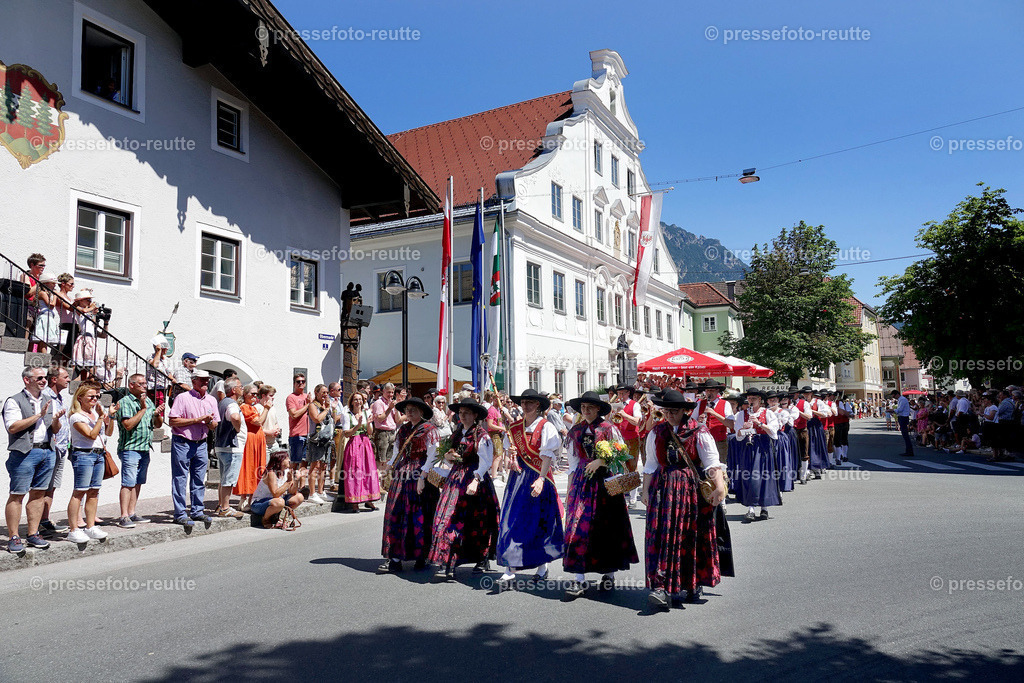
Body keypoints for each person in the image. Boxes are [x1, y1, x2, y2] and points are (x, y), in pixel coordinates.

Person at [641, 389, 727, 610]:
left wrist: (718, 487)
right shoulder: (656, 432)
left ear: (684, 411)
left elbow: (711, 463)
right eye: (666, 411)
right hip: (662, 489)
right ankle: (661, 587)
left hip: (689, 491)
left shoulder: (699, 432)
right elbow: (650, 464)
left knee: (689, 535)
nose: (669, 415)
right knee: (662, 536)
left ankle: (690, 583)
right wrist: (644, 491)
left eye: (674, 411)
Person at [562, 391, 638, 599]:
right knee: (578, 528)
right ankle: (579, 579)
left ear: (598, 409)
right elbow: (573, 462)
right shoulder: (575, 431)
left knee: (607, 528)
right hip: (583, 483)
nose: (586, 411)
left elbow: (622, 453)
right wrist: (570, 491)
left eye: (590, 407)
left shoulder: (609, 428)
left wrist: (601, 461)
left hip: (606, 484)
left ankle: (608, 573)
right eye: (583, 408)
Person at [495, 389, 565, 590]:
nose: (526, 406)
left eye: (530, 403)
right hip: (518, 480)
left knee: (538, 522)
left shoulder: (546, 427)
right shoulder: (514, 428)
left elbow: (547, 457)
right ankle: (510, 569)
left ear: (538, 406)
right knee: (512, 520)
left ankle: (541, 566)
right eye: (523, 402)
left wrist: (541, 479)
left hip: (537, 478)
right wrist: (511, 459)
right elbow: (512, 458)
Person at [428, 396, 500, 581]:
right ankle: (448, 562)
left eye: (467, 413)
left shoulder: (482, 436)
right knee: (448, 518)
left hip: (475, 480)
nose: (463, 416)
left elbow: (485, 462)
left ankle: (481, 558)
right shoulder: (457, 432)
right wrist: (448, 456)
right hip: (456, 479)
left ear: (475, 415)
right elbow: (446, 454)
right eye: (461, 412)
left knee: (479, 522)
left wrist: (476, 480)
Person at [379, 396, 439, 573]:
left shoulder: (429, 430)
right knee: (396, 513)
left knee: (420, 514)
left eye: (414, 409)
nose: (410, 412)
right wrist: (388, 468)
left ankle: (422, 556)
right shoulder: (403, 430)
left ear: (421, 412)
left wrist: (423, 475)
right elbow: (397, 451)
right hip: (402, 473)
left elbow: (432, 454)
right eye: (407, 409)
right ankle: (395, 557)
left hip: (420, 473)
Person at [4, 367, 59, 552]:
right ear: (27, 380)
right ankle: (13, 536)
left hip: (47, 451)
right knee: (17, 495)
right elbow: (12, 427)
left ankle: (33, 533)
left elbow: (54, 428)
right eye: (40, 378)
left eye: (46, 378)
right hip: (24, 453)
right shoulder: (14, 400)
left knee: (39, 494)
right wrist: (38, 416)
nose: (44, 381)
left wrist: (57, 420)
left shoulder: (48, 400)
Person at [713, 389, 780, 522]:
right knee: (750, 477)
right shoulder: (740, 414)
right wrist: (743, 428)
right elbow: (737, 436)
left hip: (763, 446)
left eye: (753, 398)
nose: (751, 401)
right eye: (749, 398)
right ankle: (751, 508)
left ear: (760, 400)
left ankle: (764, 508)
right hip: (748, 448)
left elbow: (774, 432)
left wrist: (759, 423)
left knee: (764, 476)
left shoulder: (768, 413)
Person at [66, 383, 116, 544]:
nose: (95, 399)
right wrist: (102, 417)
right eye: (91, 396)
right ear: (80, 398)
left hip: (99, 454)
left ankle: (90, 526)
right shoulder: (76, 416)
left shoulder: (95, 413)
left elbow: (108, 432)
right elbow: (91, 435)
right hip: (83, 455)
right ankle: (74, 529)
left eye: (97, 396)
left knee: (94, 491)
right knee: (79, 492)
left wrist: (110, 417)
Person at [168, 370, 219, 525]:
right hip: (183, 442)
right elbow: (173, 421)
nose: (206, 383)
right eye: (202, 380)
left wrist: (209, 422)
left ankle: (197, 511)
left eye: (207, 380)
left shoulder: (211, 400)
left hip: (201, 443)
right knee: (180, 478)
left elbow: (215, 424)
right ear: (194, 381)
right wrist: (197, 420)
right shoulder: (182, 398)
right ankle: (180, 513)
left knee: (198, 479)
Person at [115, 373, 162, 528]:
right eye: (141, 384)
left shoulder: (148, 400)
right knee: (128, 483)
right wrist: (143, 409)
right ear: (132, 385)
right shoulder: (125, 402)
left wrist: (157, 415)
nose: (144, 386)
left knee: (138, 482)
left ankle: (132, 513)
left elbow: (157, 425)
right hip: (130, 448)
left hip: (144, 447)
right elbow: (128, 425)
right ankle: (123, 516)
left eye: (145, 383)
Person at [340, 391, 380, 512]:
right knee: (354, 471)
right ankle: (355, 502)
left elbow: (370, 432)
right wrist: (357, 425)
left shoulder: (367, 412)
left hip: (365, 443)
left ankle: (369, 500)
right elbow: (346, 433)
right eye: (356, 399)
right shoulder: (347, 414)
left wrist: (368, 424)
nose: (358, 402)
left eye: (360, 399)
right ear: (351, 402)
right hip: (354, 443)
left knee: (368, 470)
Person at [214, 378, 247, 518]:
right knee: (229, 478)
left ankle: (221, 506)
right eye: (240, 386)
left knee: (223, 478)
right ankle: (225, 508)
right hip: (232, 447)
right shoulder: (232, 404)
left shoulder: (222, 403)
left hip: (221, 446)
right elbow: (234, 417)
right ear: (233, 390)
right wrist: (238, 428)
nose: (242, 389)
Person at [235, 384, 269, 513]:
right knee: (249, 468)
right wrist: (266, 408)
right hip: (251, 442)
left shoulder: (252, 407)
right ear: (245, 395)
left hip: (258, 441)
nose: (255, 397)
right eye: (252, 394)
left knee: (257, 469)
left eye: (256, 394)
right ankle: (244, 499)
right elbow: (258, 421)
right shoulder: (244, 407)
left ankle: (251, 499)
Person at [250, 452, 305, 529]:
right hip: (259, 503)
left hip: (277, 501)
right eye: (286, 458)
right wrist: (288, 482)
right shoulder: (271, 473)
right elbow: (275, 494)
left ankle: (282, 516)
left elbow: (293, 492)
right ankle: (265, 519)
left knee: (299, 497)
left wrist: (296, 479)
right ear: (280, 461)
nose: (289, 460)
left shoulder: (286, 472)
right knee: (279, 502)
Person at [610, 384, 643, 508]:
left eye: (623, 393)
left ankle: (633, 498)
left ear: (628, 393)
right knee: (616, 466)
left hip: (631, 439)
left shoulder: (635, 405)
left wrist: (624, 415)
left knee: (631, 466)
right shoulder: (616, 404)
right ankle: (620, 494)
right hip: (617, 439)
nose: (620, 396)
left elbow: (637, 421)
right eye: (618, 393)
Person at [306, 384, 335, 504]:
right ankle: (312, 493)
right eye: (323, 392)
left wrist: (331, 409)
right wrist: (327, 409)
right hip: (316, 440)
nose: (325, 395)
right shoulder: (313, 405)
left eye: (327, 392)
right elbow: (317, 419)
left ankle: (321, 491)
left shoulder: (326, 406)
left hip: (326, 440)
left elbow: (333, 420)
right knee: (315, 466)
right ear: (316, 393)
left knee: (324, 466)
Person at [696, 379, 732, 467]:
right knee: (703, 468)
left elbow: (731, 424)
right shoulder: (699, 403)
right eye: (707, 390)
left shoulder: (725, 404)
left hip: (719, 442)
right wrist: (697, 420)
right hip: (702, 443)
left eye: (711, 390)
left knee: (720, 468)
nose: (709, 393)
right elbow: (691, 423)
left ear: (717, 390)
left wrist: (714, 413)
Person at [30, 272, 61, 353]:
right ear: (46, 283)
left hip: (48, 317)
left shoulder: (47, 293)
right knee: (43, 339)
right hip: (44, 318)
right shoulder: (42, 293)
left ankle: (43, 355)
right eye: (53, 283)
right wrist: (55, 296)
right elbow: (51, 305)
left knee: (45, 339)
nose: (55, 285)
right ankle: (44, 356)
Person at [285, 373, 312, 469]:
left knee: (304, 464)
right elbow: (294, 414)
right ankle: (291, 483)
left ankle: (301, 484)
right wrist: (307, 405)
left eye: (303, 381)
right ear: (294, 384)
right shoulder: (291, 397)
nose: (301, 383)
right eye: (298, 381)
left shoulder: (307, 396)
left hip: (308, 434)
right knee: (294, 464)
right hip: (297, 435)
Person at [371, 382, 399, 470]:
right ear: (383, 391)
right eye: (388, 392)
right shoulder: (378, 403)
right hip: (382, 433)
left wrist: (396, 408)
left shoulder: (391, 402)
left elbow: (397, 420)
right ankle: (379, 481)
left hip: (392, 432)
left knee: (389, 459)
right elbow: (380, 419)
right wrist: (390, 408)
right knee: (381, 460)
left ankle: (385, 481)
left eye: (392, 392)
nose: (390, 395)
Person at [258, 385, 282, 454]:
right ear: (263, 396)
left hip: (274, 443)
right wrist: (269, 432)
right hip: (264, 444)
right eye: (271, 395)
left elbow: (275, 422)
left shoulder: (272, 408)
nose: (273, 398)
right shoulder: (257, 408)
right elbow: (257, 427)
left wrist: (277, 429)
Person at [893, 390, 914, 457]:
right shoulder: (901, 399)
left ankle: (909, 451)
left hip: (903, 417)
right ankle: (908, 450)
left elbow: (900, 409)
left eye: (893, 395)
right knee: (905, 435)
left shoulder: (902, 399)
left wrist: (893, 410)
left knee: (905, 435)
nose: (893, 397)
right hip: (902, 417)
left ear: (896, 394)